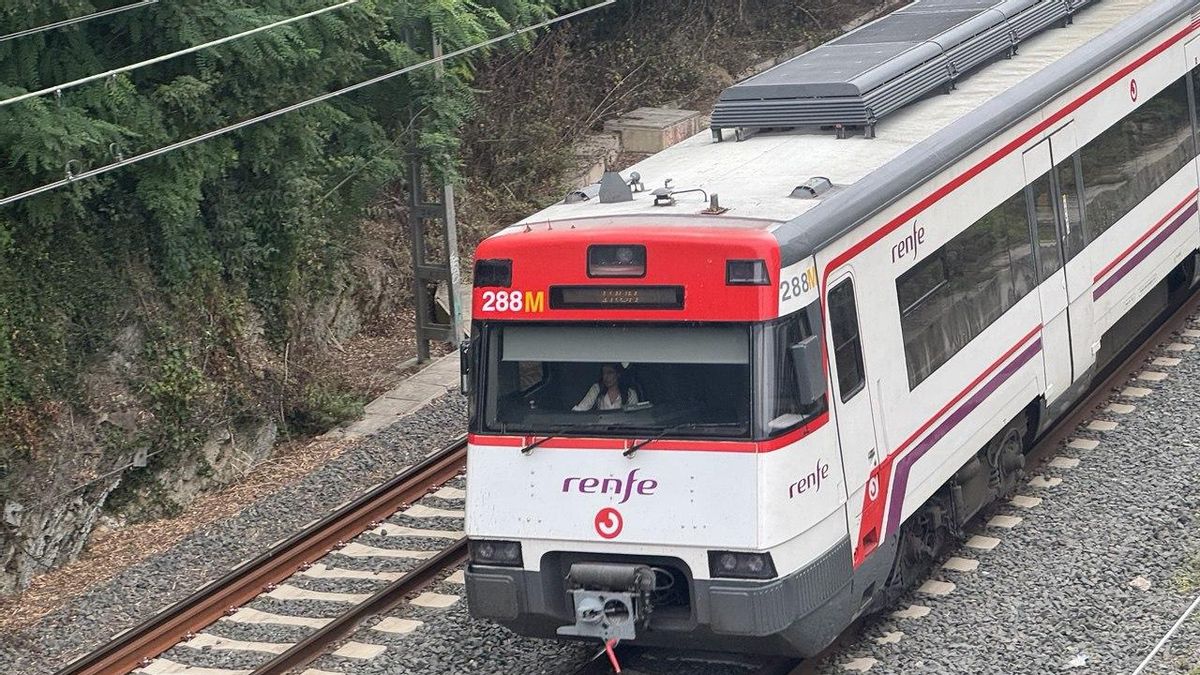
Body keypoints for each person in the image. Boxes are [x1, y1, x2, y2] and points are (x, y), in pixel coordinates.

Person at [573, 363, 639, 411]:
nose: (605, 377)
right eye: (603, 373)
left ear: (618, 374)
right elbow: (581, 408)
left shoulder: (630, 393)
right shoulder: (597, 388)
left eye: (610, 373)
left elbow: (633, 417)